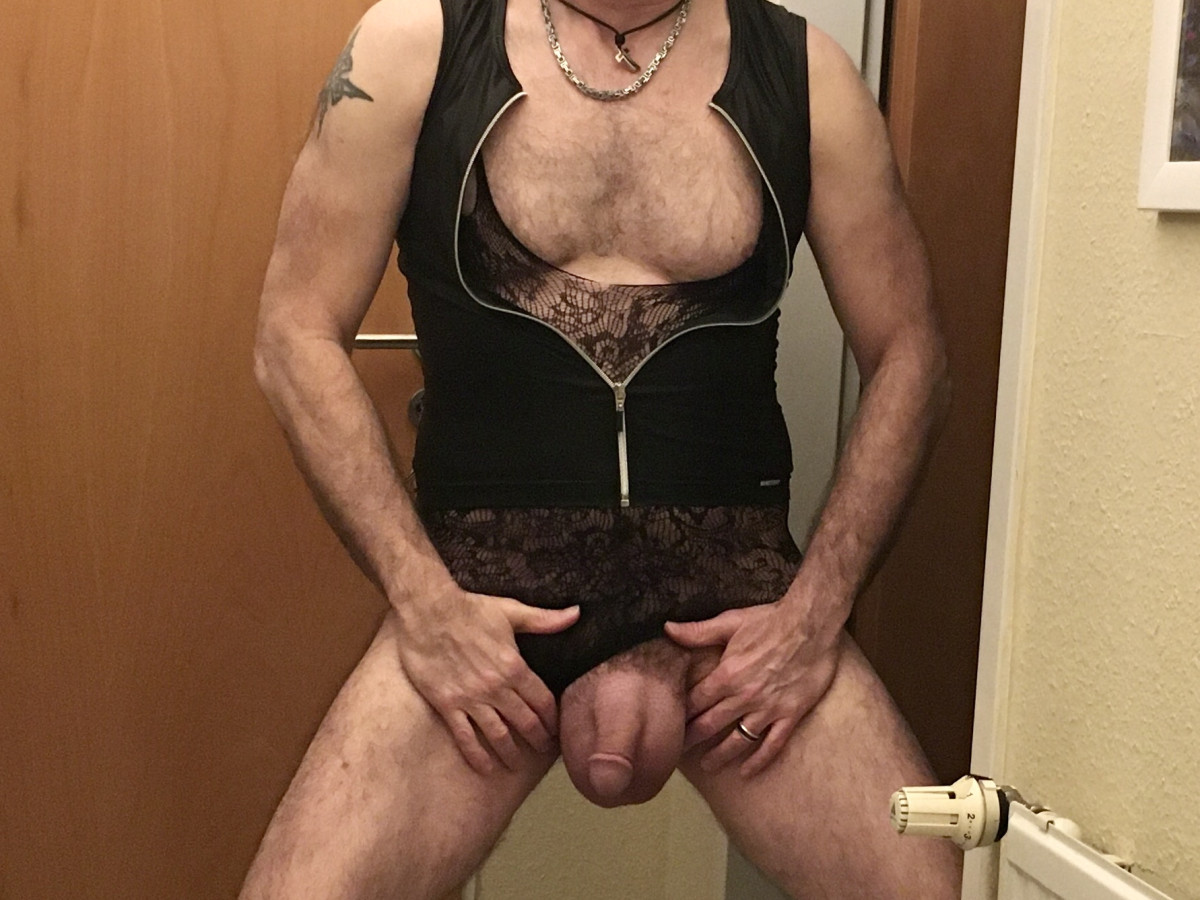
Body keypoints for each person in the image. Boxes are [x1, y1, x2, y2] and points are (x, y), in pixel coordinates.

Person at [241, 0, 962, 894]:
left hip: (734, 602)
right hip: (483, 599)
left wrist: (819, 610)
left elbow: (910, 352)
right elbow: (296, 334)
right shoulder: (414, 45)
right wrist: (422, 600)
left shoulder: (803, 73)